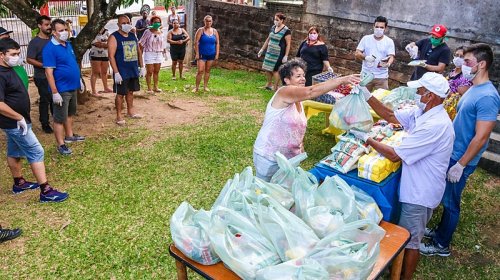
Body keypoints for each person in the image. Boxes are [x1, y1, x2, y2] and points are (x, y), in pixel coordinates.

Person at [351, 72, 455, 280]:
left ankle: (404, 276)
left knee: (410, 240)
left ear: (431, 96)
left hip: (421, 192)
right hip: (415, 183)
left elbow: (395, 155)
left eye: (420, 91)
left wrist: (366, 138)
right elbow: (391, 117)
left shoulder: (435, 125)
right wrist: (366, 95)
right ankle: (395, 269)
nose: (416, 93)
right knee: (407, 234)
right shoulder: (422, 111)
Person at [420, 43, 500, 257]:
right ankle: (439, 232)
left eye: (468, 61)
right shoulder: (474, 88)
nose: (463, 65)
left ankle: (441, 245)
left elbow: (482, 136)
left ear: (481, 64)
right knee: (445, 197)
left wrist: (461, 165)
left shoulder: (488, 97)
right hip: (453, 152)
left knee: (451, 203)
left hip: (461, 159)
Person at [253, 58, 360, 181]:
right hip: (269, 156)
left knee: (282, 196)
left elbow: (296, 126)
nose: (303, 78)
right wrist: (341, 80)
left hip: (289, 159)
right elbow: (311, 91)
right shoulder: (284, 92)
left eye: (303, 75)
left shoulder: (298, 101)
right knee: (263, 193)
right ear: (287, 80)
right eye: (298, 76)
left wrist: (299, 145)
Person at [0, 38, 69, 202]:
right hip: (15, 123)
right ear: (1, 55)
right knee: (37, 151)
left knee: (14, 151)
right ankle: (45, 191)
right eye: (13, 54)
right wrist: (18, 118)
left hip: (19, 121)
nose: (17, 57)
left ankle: (19, 182)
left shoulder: (10, 69)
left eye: (18, 53)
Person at [43, 18, 85, 156]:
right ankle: (61, 144)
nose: (65, 32)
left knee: (70, 113)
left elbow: (72, 63)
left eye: (66, 29)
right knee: (59, 118)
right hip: (61, 89)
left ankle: (70, 135)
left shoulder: (67, 45)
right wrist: (55, 92)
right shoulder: (49, 49)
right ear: (54, 32)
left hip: (72, 86)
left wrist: (79, 80)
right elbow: (48, 72)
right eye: (61, 30)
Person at [108, 14, 145, 126]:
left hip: (133, 70)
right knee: (120, 94)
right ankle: (119, 115)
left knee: (130, 92)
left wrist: (142, 66)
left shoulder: (132, 35)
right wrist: (116, 72)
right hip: (121, 71)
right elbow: (111, 56)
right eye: (123, 23)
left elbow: (138, 51)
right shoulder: (113, 37)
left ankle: (130, 111)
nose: (126, 25)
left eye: (128, 22)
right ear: (118, 24)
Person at [27, 16, 53, 133]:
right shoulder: (35, 42)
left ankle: (56, 119)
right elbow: (29, 59)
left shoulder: (53, 39)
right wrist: (44, 65)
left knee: (55, 98)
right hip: (41, 76)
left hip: (54, 75)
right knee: (45, 99)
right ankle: (45, 123)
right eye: (46, 25)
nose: (49, 27)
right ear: (39, 26)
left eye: (50, 24)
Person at [355, 16, 395, 91]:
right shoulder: (366, 39)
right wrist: (366, 57)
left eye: (381, 27)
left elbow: (391, 56)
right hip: (366, 75)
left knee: (381, 100)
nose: (378, 29)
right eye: (377, 27)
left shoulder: (389, 41)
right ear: (373, 26)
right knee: (362, 98)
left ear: (385, 28)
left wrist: (388, 63)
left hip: (381, 76)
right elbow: (357, 53)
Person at [258, 12, 291, 91]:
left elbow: (288, 44)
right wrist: (262, 49)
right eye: (274, 19)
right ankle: (269, 84)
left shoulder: (286, 30)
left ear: (282, 20)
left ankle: (276, 87)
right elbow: (268, 39)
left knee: (275, 70)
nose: (275, 21)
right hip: (270, 51)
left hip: (278, 53)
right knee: (267, 68)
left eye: (277, 20)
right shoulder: (273, 27)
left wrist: (286, 55)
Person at [443, 46, 473, 119]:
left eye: (462, 57)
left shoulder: (466, 76)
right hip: (443, 107)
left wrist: (445, 91)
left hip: (453, 111)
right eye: (456, 55)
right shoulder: (453, 71)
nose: (458, 58)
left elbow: (462, 95)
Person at [193, 15, 219, 93]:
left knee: (207, 70)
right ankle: (196, 87)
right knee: (200, 70)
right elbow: (196, 42)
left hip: (211, 54)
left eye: (210, 21)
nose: (208, 22)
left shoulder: (215, 31)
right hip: (202, 54)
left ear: (212, 22)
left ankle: (205, 86)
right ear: (204, 21)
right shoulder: (200, 30)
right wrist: (197, 53)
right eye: (207, 21)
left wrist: (217, 54)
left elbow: (217, 43)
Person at [138, 16, 165, 94]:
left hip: (158, 53)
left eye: (158, 22)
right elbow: (141, 43)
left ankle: (155, 87)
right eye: (155, 22)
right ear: (151, 23)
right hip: (149, 53)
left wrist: (164, 52)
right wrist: (140, 53)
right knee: (149, 71)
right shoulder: (147, 31)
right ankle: (149, 88)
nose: (157, 23)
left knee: (156, 71)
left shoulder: (161, 32)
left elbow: (162, 44)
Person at [89, 28, 113, 96]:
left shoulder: (107, 31)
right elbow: (95, 43)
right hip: (95, 55)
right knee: (95, 72)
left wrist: (102, 44)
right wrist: (105, 45)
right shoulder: (93, 32)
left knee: (104, 72)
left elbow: (110, 42)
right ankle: (93, 91)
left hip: (105, 54)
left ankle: (106, 88)